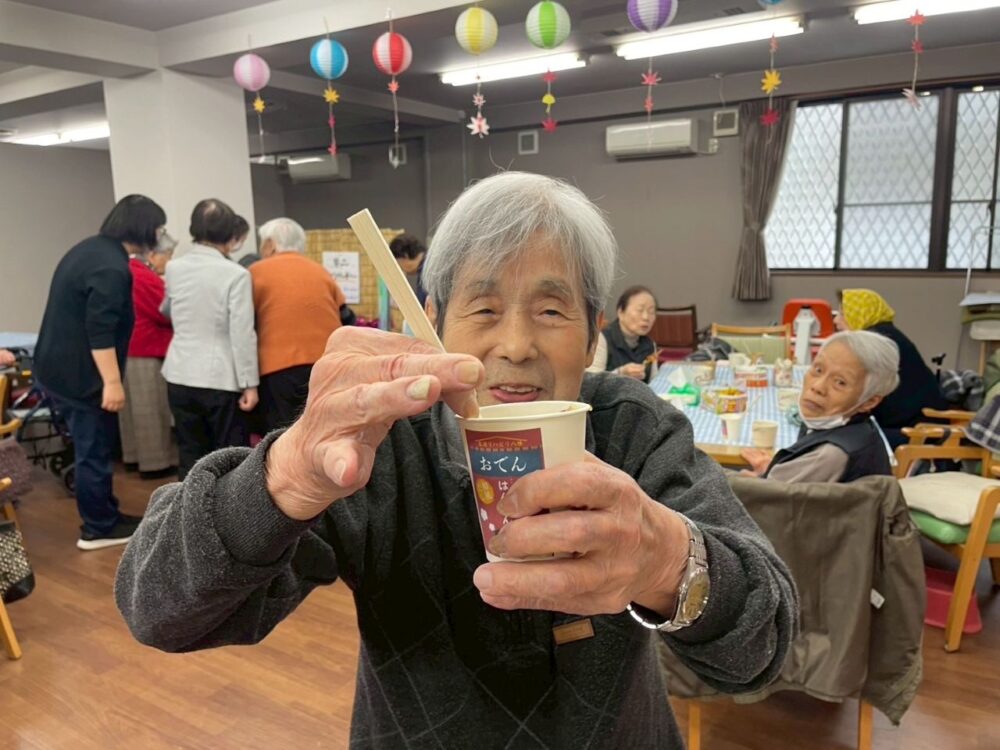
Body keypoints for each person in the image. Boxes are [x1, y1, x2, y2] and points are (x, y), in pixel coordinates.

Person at [116, 172, 796, 748]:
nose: (517, 344)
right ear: (433, 321)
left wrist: (667, 560)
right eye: (484, 306)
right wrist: (287, 475)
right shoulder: (380, 447)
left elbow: (763, 649)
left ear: (593, 331)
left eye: (552, 310)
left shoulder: (632, 428)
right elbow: (160, 609)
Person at [34, 194, 166, 550]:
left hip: (57, 368)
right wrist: (111, 384)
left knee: (96, 445)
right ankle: (97, 528)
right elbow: (100, 330)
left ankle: (108, 513)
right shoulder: (110, 266)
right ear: (144, 228)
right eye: (158, 228)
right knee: (93, 449)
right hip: (78, 376)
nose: (160, 234)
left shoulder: (91, 250)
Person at [161, 199, 259, 479]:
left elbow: (168, 309)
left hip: (179, 373)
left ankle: (186, 517)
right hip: (220, 378)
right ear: (230, 233)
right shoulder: (236, 274)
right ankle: (228, 520)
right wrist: (249, 384)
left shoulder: (174, 268)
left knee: (189, 452)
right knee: (228, 459)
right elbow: (242, 332)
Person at [741, 330, 900, 483]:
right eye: (818, 370)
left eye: (840, 382)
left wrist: (750, 482)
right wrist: (781, 469)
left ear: (869, 402)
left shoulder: (830, 455)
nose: (817, 387)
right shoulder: (858, 428)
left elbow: (762, 498)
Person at [250, 218, 345, 432]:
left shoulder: (256, 272)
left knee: (281, 434)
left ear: (270, 244)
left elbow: (246, 321)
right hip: (324, 363)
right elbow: (345, 314)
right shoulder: (321, 271)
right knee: (322, 429)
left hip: (276, 366)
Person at [836, 288, 947, 446]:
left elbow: (858, 389)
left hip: (914, 429)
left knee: (840, 436)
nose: (836, 320)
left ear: (861, 314)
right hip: (907, 420)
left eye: (842, 314)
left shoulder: (878, 342)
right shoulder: (884, 334)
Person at [119, 230, 178, 478]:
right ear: (153, 253)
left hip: (125, 347)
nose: (170, 261)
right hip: (147, 347)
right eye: (169, 255)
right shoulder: (144, 277)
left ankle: (133, 457)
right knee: (151, 409)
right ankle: (156, 463)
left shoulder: (123, 270)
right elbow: (166, 311)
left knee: (131, 412)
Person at [588, 285, 659, 382]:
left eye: (651, 311)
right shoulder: (602, 339)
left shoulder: (650, 345)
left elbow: (655, 381)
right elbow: (590, 382)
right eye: (640, 310)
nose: (646, 317)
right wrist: (620, 373)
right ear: (621, 312)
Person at [389, 233, 427, 306]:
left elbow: (424, 306)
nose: (401, 269)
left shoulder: (426, 271)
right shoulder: (427, 265)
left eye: (399, 264)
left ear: (405, 255)